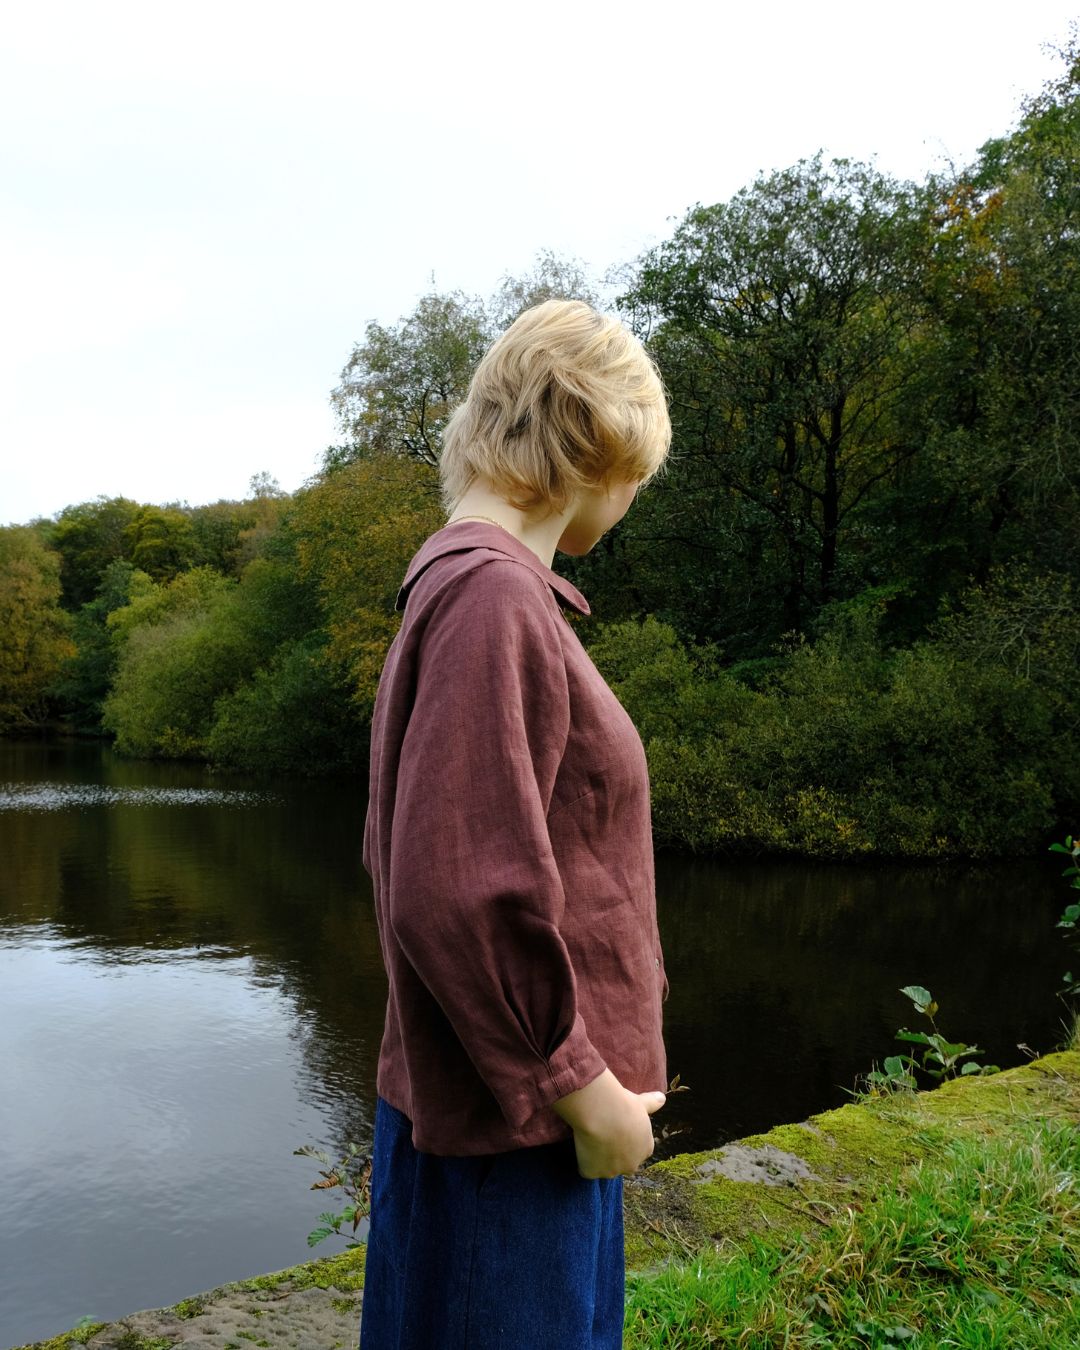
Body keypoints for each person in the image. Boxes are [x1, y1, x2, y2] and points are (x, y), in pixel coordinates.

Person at [359, 298, 673, 1349]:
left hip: (517, 1134)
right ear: (601, 437)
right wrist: (580, 1089)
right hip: (514, 1147)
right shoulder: (491, 599)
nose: (635, 497)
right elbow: (452, 890)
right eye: (640, 471)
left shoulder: (474, 591)